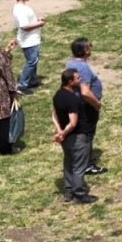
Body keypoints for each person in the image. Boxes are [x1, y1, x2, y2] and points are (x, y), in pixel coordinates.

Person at [51, 68, 95, 203]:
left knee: (69, 163)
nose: (80, 79)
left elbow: (54, 115)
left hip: (66, 138)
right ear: (70, 81)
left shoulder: (58, 95)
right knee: (78, 167)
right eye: (77, 78)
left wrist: (60, 132)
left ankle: (68, 191)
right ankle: (79, 194)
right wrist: (62, 133)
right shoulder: (72, 99)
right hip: (77, 137)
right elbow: (73, 122)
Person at [66, 38, 106, 175]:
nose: (90, 50)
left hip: (76, 104)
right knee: (87, 134)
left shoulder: (71, 63)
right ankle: (87, 164)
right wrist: (97, 103)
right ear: (83, 51)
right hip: (86, 106)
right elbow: (85, 91)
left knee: (82, 133)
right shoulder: (83, 67)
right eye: (88, 48)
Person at [11, 0, 45, 95]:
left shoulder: (22, 7)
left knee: (34, 60)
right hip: (28, 40)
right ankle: (22, 85)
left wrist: (36, 21)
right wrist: (39, 24)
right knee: (31, 61)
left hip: (32, 39)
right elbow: (24, 26)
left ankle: (32, 80)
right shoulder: (20, 10)